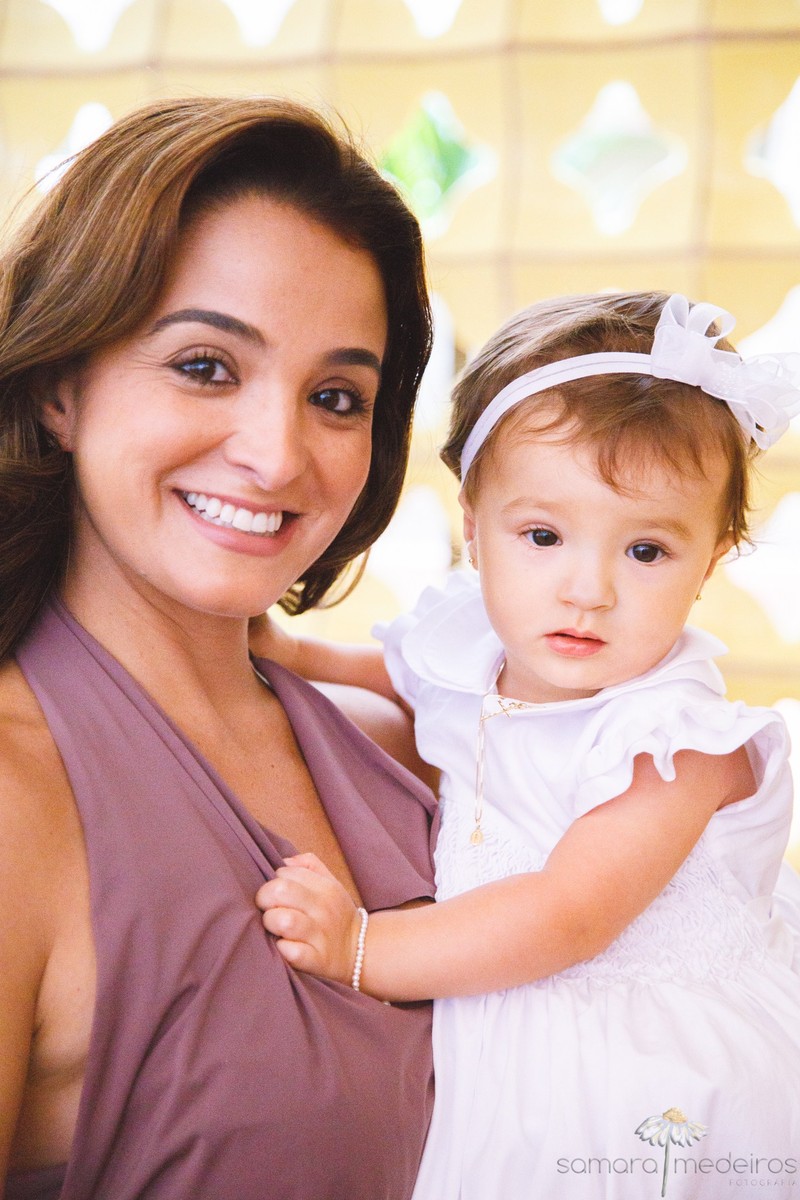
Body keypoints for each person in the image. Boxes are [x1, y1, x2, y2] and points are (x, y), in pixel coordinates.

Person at [256, 291, 800, 1199]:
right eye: (543, 536)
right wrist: (290, 650)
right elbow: (408, 675)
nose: (586, 589)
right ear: (474, 528)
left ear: (712, 558)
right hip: (497, 1000)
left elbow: (569, 913)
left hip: (630, 1057)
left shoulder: (675, 745)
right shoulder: (475, 638)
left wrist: (363, 949)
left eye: (648, 552)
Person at [0, 96, 440, 1200]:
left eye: (336, 396)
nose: (277, 453)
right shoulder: (14, 800)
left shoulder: (397, 753)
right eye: (205, 366)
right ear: (62, 385)